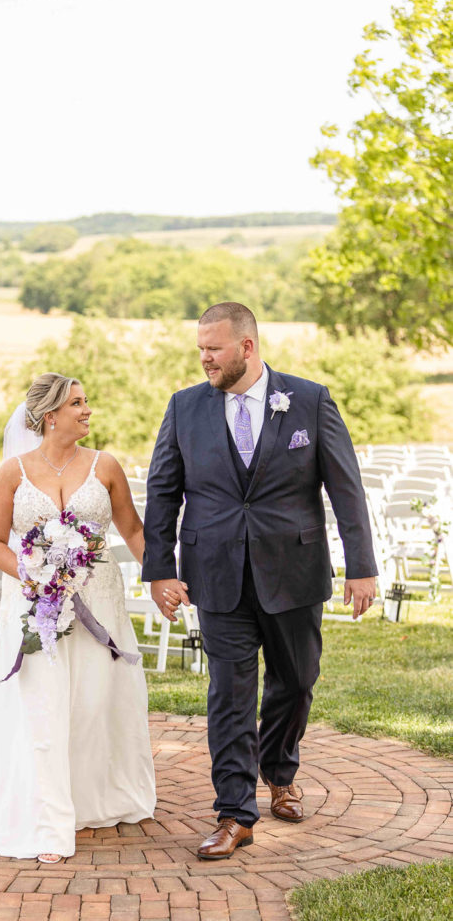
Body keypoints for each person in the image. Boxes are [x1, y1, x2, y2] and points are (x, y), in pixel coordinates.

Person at [142, 302, 377, 861]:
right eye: (200, 348)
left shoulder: (310, 400)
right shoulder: (184, 408)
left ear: (247, 347)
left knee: (296, 681)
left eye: (214, 348)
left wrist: (361, 564)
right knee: (229, 693)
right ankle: (234, 813)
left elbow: (346, 488)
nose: (204, 358)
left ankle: (279, 770)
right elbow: (162, 492)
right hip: (216, 574)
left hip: (294, 570)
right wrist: (159, 568)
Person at [0, 373, 156, 863]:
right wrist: (33, 575)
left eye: (86, 400)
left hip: (99, 598)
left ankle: (100, 796)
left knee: (96, 700)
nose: (87, 411)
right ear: (49, 415)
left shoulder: (106, 466)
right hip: (37, 607)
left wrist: (164, 578)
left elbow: (134, 530)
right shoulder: (12, 473)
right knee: (44, 704)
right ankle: (47, 819)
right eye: (77, 403)